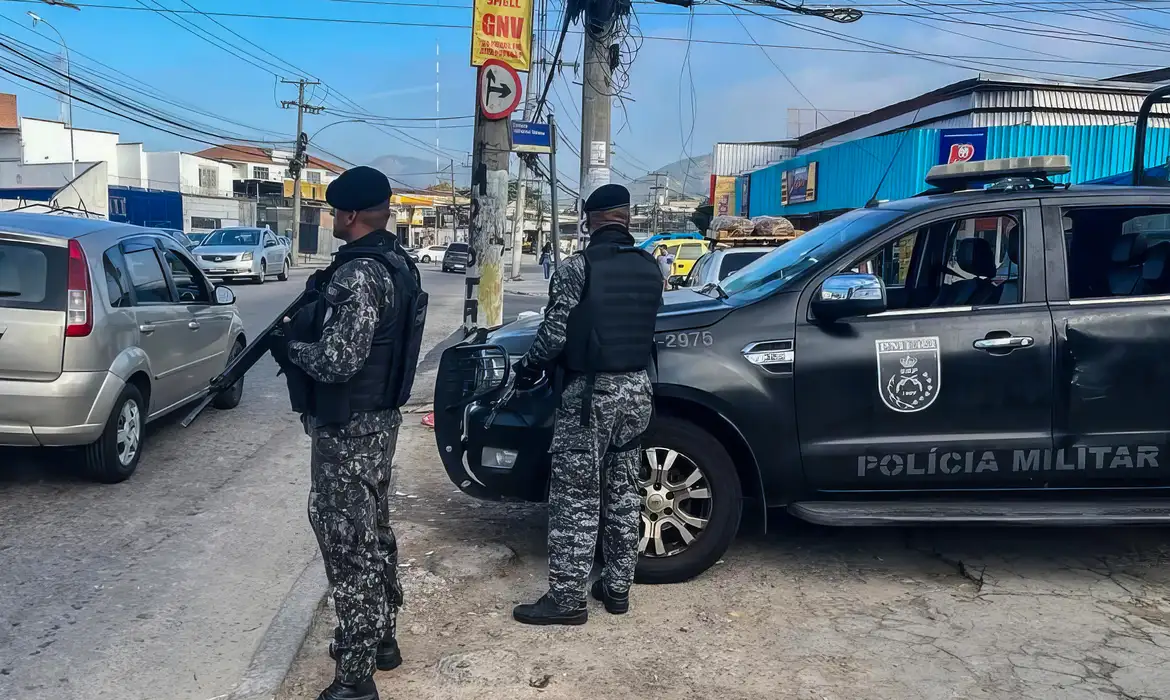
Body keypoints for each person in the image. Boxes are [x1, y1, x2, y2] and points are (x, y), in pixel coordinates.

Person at [271, 166, 427, 700]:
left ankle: (355, 678)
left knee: (348, 546)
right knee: (373, 534)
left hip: (350, 430)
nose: (333, 219)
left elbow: (339, 361)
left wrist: (292, 350)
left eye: (335, 211)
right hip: (377, 423)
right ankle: (383, 639)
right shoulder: (397, 263)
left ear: (352, 215)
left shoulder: (359, 274)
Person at [509, 184, 663, 625]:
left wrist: (528, 368)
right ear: (626, 217)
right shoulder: (651, 267)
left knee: (575, 496)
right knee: (624, 490)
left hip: (590, 396)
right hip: (637, 390)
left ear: (590, 219)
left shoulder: (578, 268)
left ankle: (567, 599)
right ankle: (617, 587)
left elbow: (554, 335)